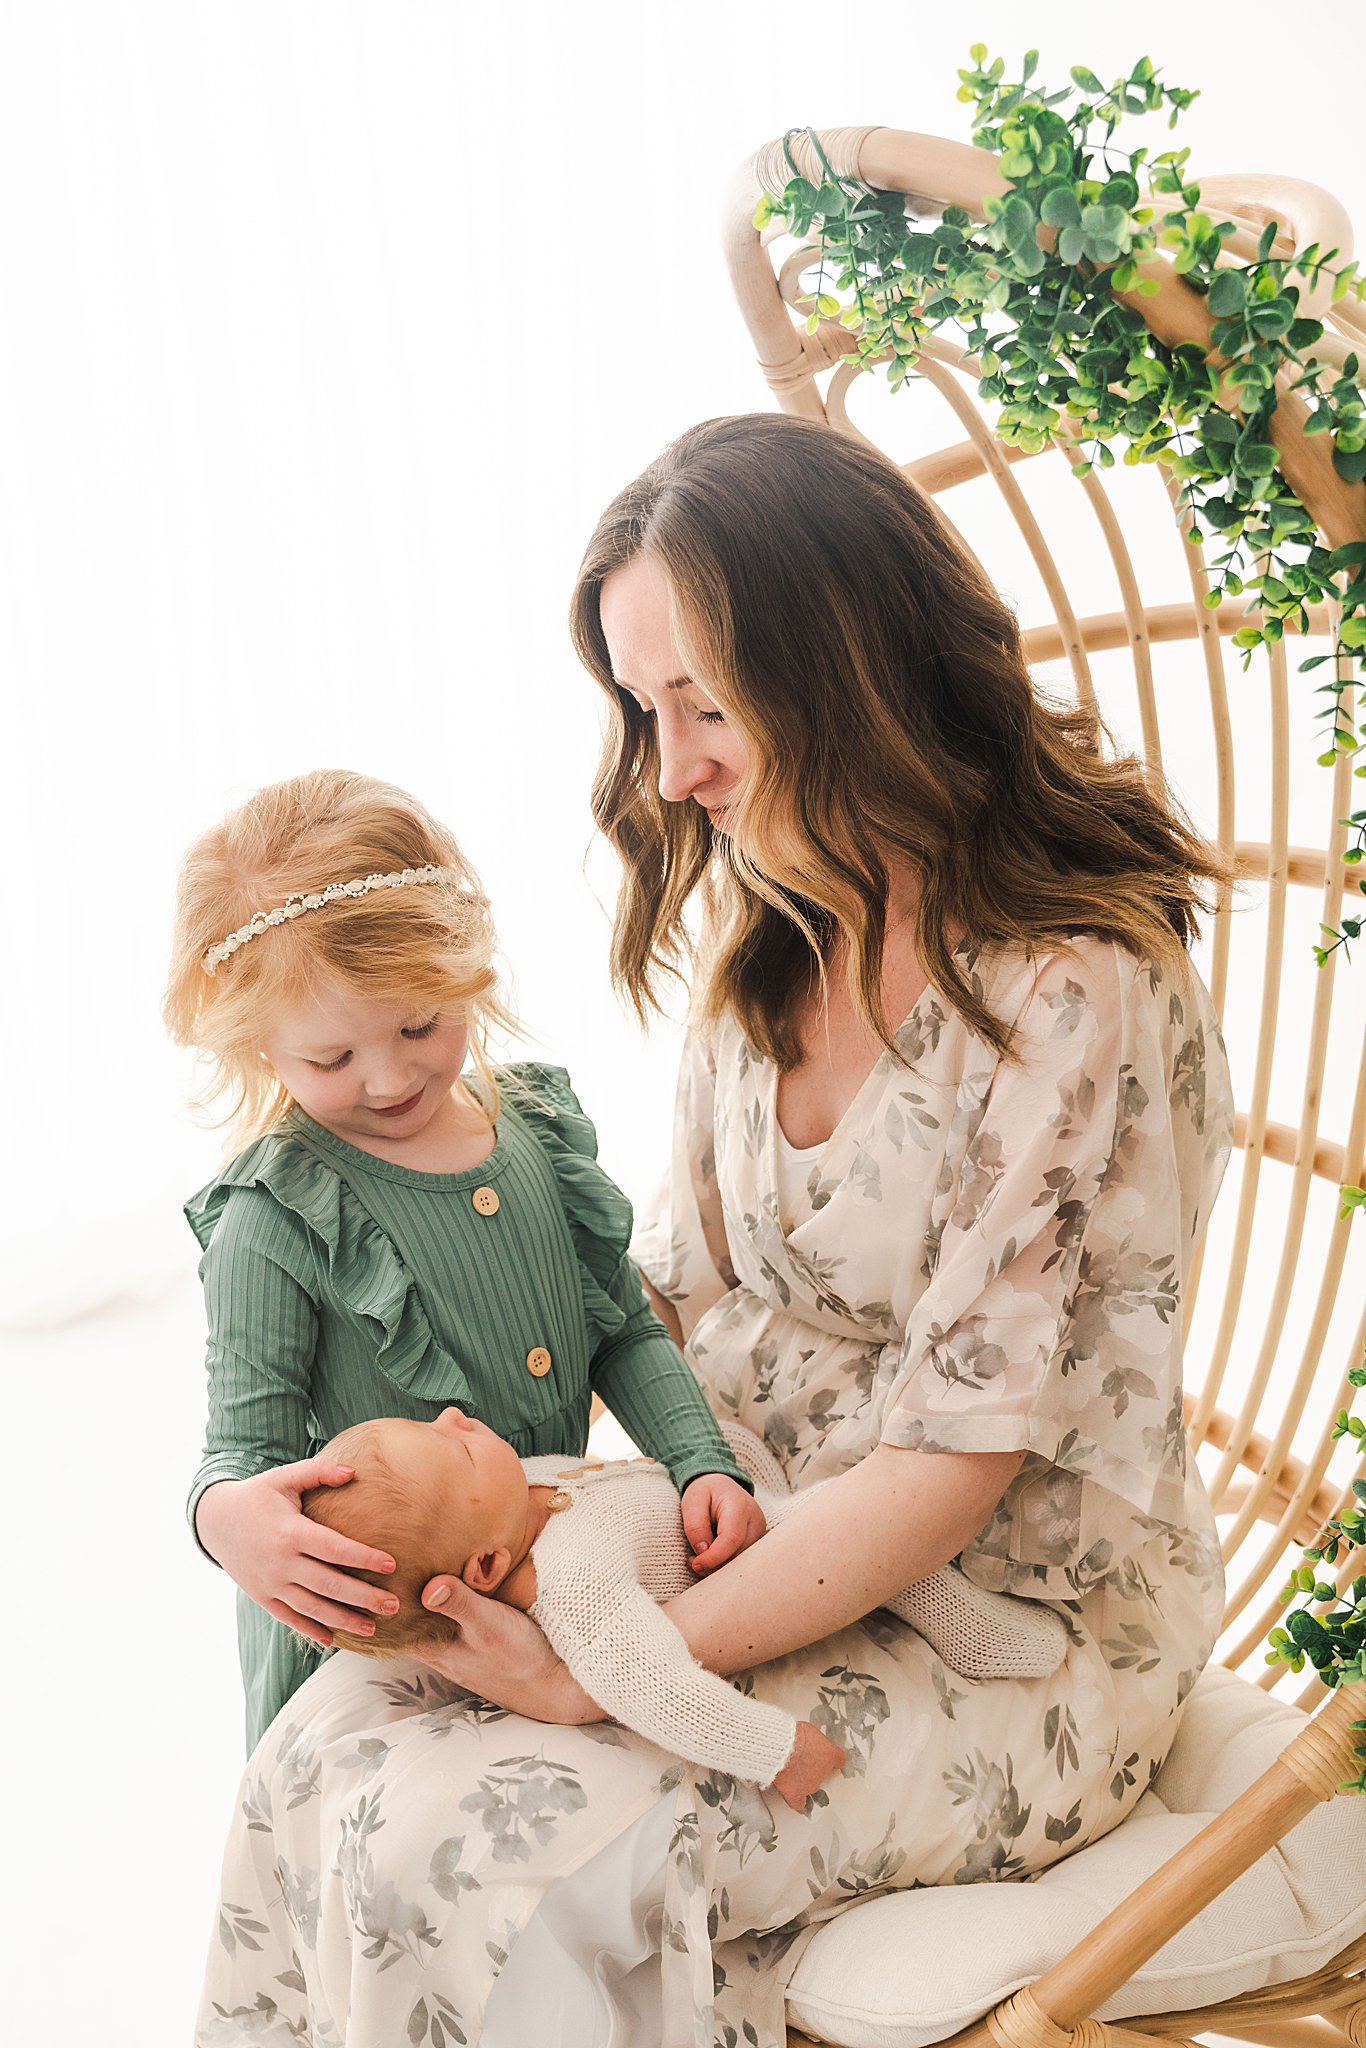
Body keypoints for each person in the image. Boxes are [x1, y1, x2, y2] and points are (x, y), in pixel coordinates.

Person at [193, 416, 1236, 2048]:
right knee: (329, 1747)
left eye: (703, 707)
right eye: (642, 710)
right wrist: (559, 1521)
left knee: (469, 1867)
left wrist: (623, 1655)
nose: (669, 767)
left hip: (1013, 1621)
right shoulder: (774, 921)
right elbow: (664, 1301)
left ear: (849, 668)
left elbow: (954, 1461)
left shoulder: (1064, 985)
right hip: (743, 1534)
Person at [166, 766, 764, 1751]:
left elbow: (620, 1333)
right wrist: (221, 1518)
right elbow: (244, 1453)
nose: (391, 1074)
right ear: (257, 1044)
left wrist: (701, 1462)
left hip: (542, 1583)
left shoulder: (533, 1132)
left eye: (419, 1023)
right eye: (333, 1058)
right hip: (379, 1650)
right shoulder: (274, 1220)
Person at [297, 1407, 1067, 1795]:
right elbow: (647, 1682)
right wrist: (777, 1753)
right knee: (884, 1540)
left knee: (731, 1446)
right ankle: (979, 1635)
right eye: (456, 1445)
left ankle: (762, 1486)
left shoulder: (517, 1490)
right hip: (753, 1564)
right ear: (488, 1564)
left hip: (704, 1502)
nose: (457, 1417)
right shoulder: (574, 1580)